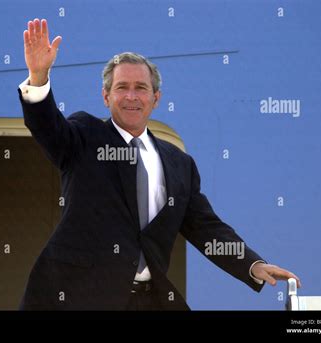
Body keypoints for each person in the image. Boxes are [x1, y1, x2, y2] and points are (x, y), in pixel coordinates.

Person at [18, 18, 301, 311]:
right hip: (79, 297)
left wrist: (252, 265)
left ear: (156, 99)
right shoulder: (84, 136)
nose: (131, 96)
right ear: (106, 97)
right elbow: (48, 128)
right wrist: (38, 77)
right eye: (121, 87)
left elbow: (206, 228)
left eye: (141, 88)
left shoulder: (179, 164)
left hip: (149, 299)